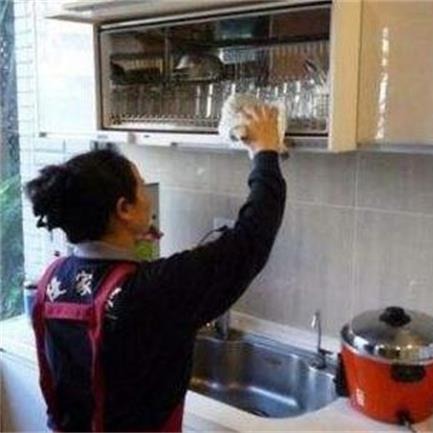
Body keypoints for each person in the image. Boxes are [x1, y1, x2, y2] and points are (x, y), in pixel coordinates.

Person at [25, 106, 286, 432]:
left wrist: (128, 239)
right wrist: (265, 153)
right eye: (141, 185)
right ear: (124, 209)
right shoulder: (153, 290)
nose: (147, 195)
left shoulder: (52, 279)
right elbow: (251, 237)